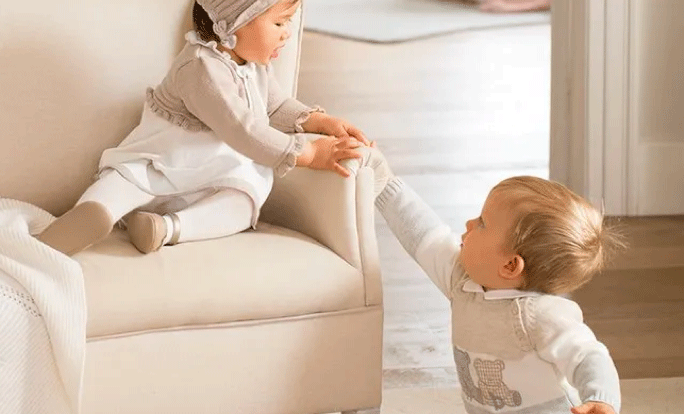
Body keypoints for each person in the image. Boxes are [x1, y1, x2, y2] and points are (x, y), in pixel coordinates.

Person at [38, 0, 370, 256]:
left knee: (244, 200)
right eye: (279, 23)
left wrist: (317, 121)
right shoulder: (200, 69)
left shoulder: (253, 66)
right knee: (123, 182)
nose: (288, 33)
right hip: (158, 165)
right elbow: (243, 129)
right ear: (234, 24)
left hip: (206, 180)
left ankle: (165, 229)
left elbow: (274, 107)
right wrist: (307, 153)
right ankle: (93, 214)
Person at [365, 150, 624, 414]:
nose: (469, 223)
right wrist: (384, 181)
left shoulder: (542, 316)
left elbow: (588, 356)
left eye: (482, 224)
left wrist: (600, 397)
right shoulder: (461, 282)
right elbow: (425, 235)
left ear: (510, 266)